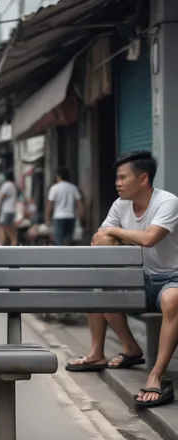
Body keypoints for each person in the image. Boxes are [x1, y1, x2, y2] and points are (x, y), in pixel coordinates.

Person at [66, 151, 178, 409]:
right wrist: (110, 237)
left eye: (122, 177)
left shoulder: (167, 203)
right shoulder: (120, 205)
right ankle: (111, 350)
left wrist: (115, 232)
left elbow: (150, 239)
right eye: (117, 178)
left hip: (171, 279)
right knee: (99, 285)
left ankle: (155, 375)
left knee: (173, 299)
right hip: (141, 277)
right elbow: (99, 239)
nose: (117, 183)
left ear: (143, 179)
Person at [46, 167, 83, 246]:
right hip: (71, 217)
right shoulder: (73, 188)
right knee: (68, 242)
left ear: (58, 176)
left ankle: (60, 257)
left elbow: (50, 205)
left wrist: (48, 219)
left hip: (58, 217)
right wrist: (82, 218)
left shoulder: (54, 188)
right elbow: (79, 205)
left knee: (58, 241)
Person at [0, 170, 18, 246]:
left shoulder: (7, 185)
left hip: (7, 210)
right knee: (3, 226)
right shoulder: (13, 185)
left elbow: (2, 197)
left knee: (5, 226)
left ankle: (13, 240)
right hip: (10, 210)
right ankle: (3, 242)